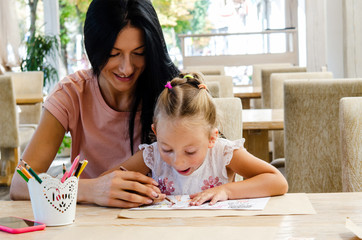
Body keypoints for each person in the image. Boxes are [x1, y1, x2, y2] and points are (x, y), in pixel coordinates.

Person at [10, 0, 179, 208]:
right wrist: (90, 189)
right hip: (90, 222)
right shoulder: (72, 94)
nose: (126, 68)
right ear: (94, 49)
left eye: (139, 53)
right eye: (113, 54)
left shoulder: (171, 94)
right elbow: (20, 185)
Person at [110, 73, 288, 206]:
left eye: (190, 151)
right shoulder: (152, 155)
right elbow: (107, 182)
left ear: (212, 138)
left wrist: (226, 190)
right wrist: (133, 191)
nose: (178, 162)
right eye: (167, 149)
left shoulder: (222, 153)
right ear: (155, 132)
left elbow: (277, 182)